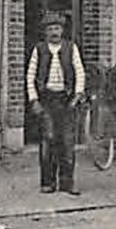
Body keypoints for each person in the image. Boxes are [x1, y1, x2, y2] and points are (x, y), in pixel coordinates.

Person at [25, 13, 86, 194]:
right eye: (50, 29)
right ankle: (48, 181)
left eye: (57, 28)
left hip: (66, 100)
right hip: (47, 100)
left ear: (62, 30)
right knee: (48, 139)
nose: (54, 32)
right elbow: (30, 76)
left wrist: (78, 94)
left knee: (67, 141)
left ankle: (67, 182)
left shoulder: (70, 48)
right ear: (45, 32)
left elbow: (80, 71)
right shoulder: (40, 49)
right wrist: (34, 99)